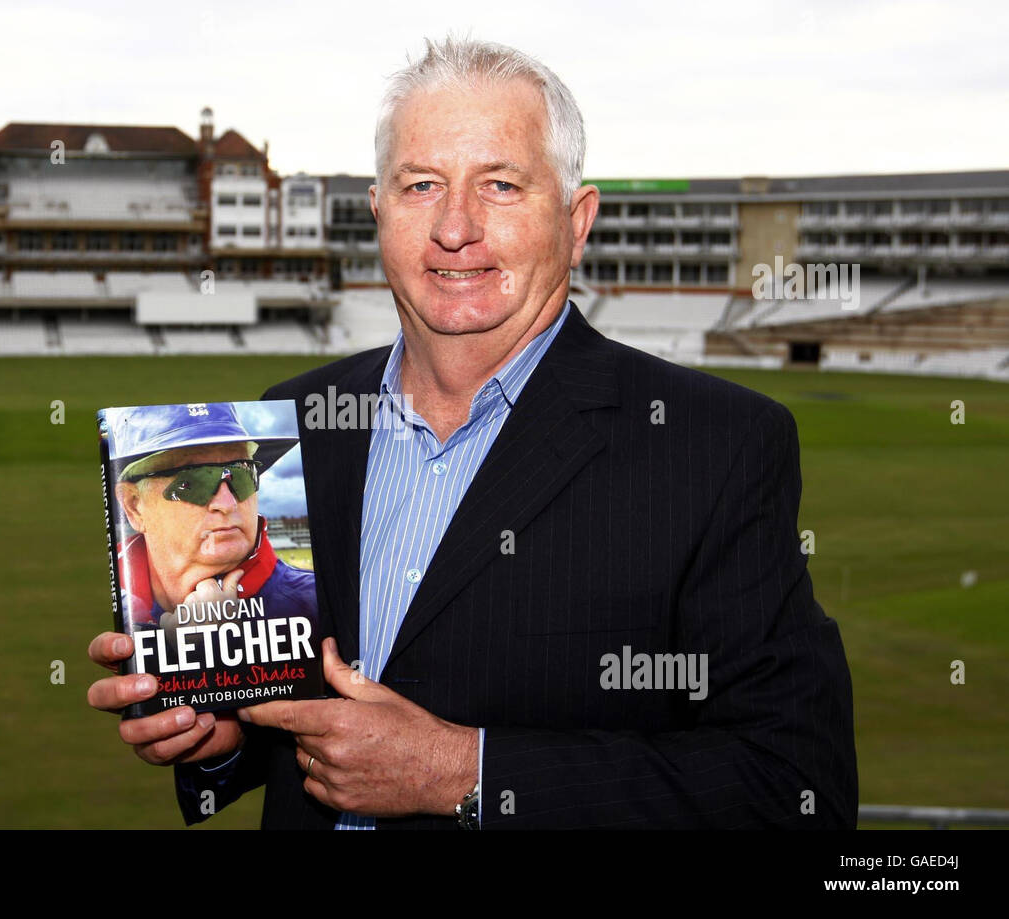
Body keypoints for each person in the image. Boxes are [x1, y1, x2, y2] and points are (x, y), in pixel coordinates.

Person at [89, 36, 857, 830]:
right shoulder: (298, 421)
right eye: (422, 184)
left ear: (576, 218)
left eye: (500, 183)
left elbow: (797, 787)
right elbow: (303, 721)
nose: (456, 227)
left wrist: (466, 771)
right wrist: (220, 733)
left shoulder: (715, 446)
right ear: (379, 212)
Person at [103, 403, 316, 636]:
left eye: (242, 472)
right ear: (134, 506)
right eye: (193, 480)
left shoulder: (317, 605)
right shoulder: (106, 610)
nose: (227, 503)